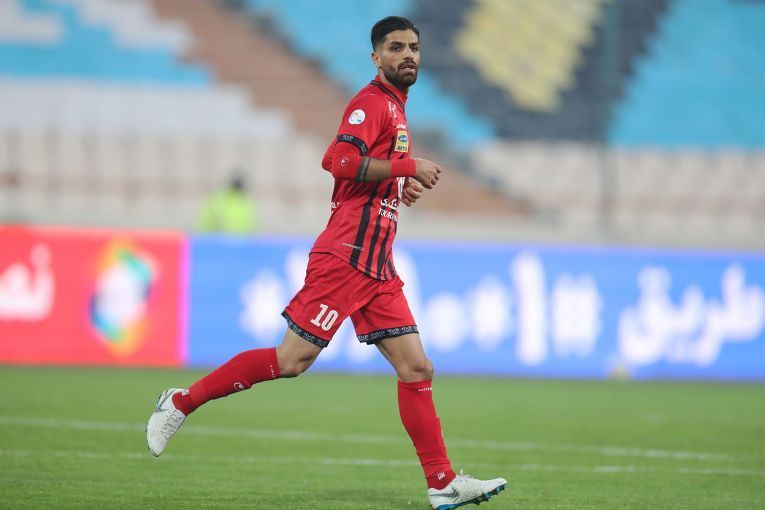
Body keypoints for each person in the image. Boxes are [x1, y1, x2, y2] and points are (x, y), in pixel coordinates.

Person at [146, 16, 508, 510]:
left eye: (414, 47)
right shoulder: (371, 103)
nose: (408, 55)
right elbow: (337, 160)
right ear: (376, 57)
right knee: (291, 361)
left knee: (416, 366)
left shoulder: (397, 110)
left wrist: (397, 186)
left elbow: (363, 174)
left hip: (377, 266)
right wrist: (407, 166)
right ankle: (181, 402)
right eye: (396, 47)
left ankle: (441, 481)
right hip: (345, 257)